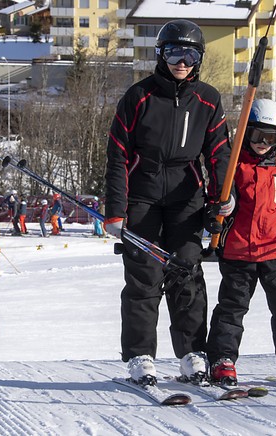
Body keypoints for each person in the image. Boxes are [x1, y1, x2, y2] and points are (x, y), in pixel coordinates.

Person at [103, 19, 231, 386]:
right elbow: (117, 156)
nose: (182, 61)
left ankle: (192, 351)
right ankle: (140, 355)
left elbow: (219, 153)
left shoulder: (208, 99)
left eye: (190, 54)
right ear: (161, 54)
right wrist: (116, 209)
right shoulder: (138, 96)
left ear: (199, 58)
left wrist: (223, 197)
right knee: (143, 276)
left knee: (187, 273)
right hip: (142, 196)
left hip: (185, 198)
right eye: (174, 52)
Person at [207, 99, 276, 386]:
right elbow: (217, 197)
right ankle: (222, 359)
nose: (263, 143)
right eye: (256, 136)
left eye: (271, 138)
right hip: (238, 250)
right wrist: (215, 212)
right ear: (245, 133)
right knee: (232, 307)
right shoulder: (233, 166)